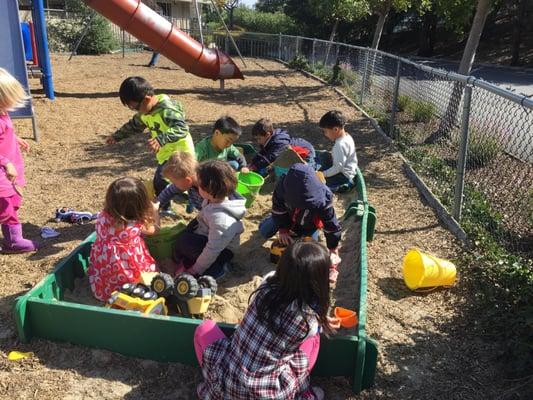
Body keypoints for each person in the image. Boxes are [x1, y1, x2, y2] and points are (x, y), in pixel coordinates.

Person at [194, 241, 340, 399]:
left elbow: (278, 278)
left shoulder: (265, 288)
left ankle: (211, 386)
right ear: (317, 282)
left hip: (229, 382)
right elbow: (313, 322)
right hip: (269, 392)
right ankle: (303, 392)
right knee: (314, 340)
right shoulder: (308, 319)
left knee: (205, 328)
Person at [106, 76, 194, 212]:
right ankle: (169, 208)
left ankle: (189, 203)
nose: (136, 111)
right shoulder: (145, 112)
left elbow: (182, 128)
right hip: (165, 154)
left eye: (135, 107)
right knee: (163, 182)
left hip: (181, 153)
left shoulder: (167, 110)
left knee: (181, 181)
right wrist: (117, 136)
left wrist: (161, 139)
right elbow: (134, 125)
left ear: (146, 99)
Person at [259, 163, 342, 282]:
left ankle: (297, 232)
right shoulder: (282, 186)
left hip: (309, 224)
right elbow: (278, 208)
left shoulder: (323, 197)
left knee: (308, 249)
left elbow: (331, 224)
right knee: (264, 231)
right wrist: (283, 229)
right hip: (286, 216)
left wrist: (333, 249)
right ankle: (271, 220)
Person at [88, 177, 161, 302]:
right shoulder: (134, 225)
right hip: (129, 274)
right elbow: (155, 230)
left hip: (105, 276)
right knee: (150, 275)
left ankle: (109, 289)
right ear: (139, 204)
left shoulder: (102, 217)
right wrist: (155, 211)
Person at [172, 160, 246, 278]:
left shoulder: (221, 219)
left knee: (185, 243)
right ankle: (189, 259)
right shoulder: (213, 200)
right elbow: (203, 217)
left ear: (209, 190)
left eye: (199, 185)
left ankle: (218, 269)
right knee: (184, 238)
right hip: (208, 235)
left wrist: (195, 270)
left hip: (222, 250)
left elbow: (212, 249)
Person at [0, 68, 38, 254]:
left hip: (9, 173)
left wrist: (15, 138)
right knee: (5, 207)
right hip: (3, 173)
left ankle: (12, 240)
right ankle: (13, 241)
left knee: (13, 202)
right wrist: (6, 163)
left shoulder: (2, 114)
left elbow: (4, 135)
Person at [158, 151, 243, 213]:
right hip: (206, 214)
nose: (174, 185)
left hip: (220, 216)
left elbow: (232, 197)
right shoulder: (188, 182)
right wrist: (157, 205)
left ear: (188, 180)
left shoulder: (212, 185)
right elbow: (169, 191)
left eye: (175, 182)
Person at [249, 118, 316, 176]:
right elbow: (263, 153)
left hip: (305, 152)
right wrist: (252, 163)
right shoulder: (267, 140)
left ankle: (315, 172)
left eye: (259, 138)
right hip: (290, 153)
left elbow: (271, 157)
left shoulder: (280, 142)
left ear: (268, 134)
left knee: (305, 171)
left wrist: (254, 167)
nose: (258, 141)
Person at [317, 110, 358, 192]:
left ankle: (343, 186)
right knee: (324, 155)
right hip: (347, 170)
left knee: (318, 184)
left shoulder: (339, 145)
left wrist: (322, 174)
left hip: (343, 176)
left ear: (335, 129)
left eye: (326, 131)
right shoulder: (347, 136)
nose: (325, 134)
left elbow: (337, 168)